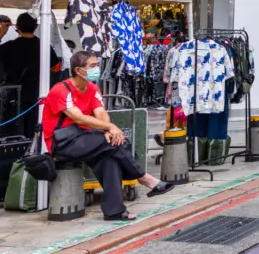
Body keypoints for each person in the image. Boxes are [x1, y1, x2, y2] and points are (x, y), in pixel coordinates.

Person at [45, 51, 174, 221]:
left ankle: (115, 211)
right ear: (78, 70)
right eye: (92, 66)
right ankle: (144, 177)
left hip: (85, 137)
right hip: (63, 141)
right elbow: (78, 117)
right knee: (115, 144)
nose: (97, 69)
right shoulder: (61, 90)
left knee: (110, 157)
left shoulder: (92, 88)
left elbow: (100, 112)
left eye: (97, 65)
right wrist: (111, 127)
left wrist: (108, 130)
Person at [0, 13, 62, 138]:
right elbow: (56, 68)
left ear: (17, 28)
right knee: (33, 132)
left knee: (13, 134)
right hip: (36, 96)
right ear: (36, 26)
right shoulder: (44, 47)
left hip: (13, 95)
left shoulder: (9, 47)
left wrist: (1, 34)